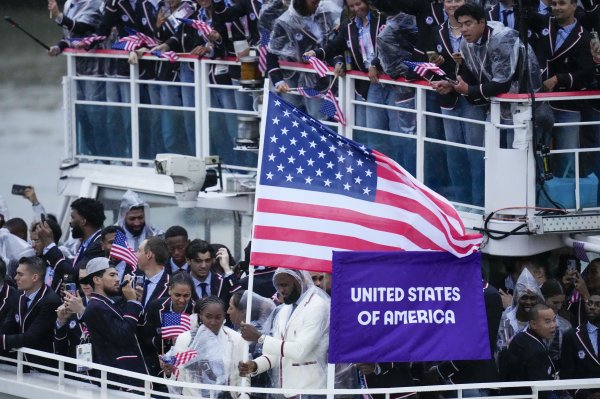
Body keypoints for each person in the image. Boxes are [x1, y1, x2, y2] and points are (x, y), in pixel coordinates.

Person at [238, 268, 330, 395]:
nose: (281, 290)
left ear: (299, 281)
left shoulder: (317, 306)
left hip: (312, 391)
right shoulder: (284, 310)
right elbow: (277, 353)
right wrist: (254, 365)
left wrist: (260, 338)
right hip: (289, 392)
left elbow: (300, 351)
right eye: (278, 285)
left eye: (285, 285)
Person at [47, 0, 106, 157]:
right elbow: (68, 36)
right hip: (76, 69)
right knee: (81, 113)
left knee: (95, 113)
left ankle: (105, 154)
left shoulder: (96, 3)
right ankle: (91, 153)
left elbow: (82, 28)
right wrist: (58, 48)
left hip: (95, 69)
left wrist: (59, 16)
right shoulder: (69, 4)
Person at [81, 257, 149, 388]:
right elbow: (123, 335)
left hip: (130, 376)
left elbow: (135, 328)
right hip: (120, 381)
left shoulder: (110, 302)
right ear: (97, 280)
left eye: (117, 274)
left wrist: (135, 301)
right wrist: (132, 302)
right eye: (112, 275)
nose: (118, 279)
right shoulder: (95, 307)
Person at [266, 0, 341, 118]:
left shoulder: (324, 14)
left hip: (320, 77)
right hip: (291, 79)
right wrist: (278, 81)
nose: (317, 5)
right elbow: (271, 53)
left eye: (318, 2)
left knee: (320, 118)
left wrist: (338, 61)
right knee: (291, 117)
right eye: (313, 3)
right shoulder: (284, 22)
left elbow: (334, 43)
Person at [162, 296, 249, 397]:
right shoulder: (185, 339)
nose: (213, 322)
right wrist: (169, 372)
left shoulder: (236, 339)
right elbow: (176, 378)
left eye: (218, 317)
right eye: (208, 316)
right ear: (201, 316)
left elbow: (243, 377)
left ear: (224, 316)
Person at [1, 256, 62, 370]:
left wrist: (2, 341)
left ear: (34, 277)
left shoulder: (50, 301)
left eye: (20, 274)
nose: (15, 278)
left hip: (45, 368)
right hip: (22, 365)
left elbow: (31, 337)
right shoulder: (19, 297)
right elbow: (7, 327)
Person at [139, 271, 195, 378]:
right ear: (169, 290)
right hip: (157, 368)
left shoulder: (196, 310)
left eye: (186, 295)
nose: (182, 300)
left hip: (186, 369)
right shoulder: (156, 307)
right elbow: (144, 340)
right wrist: (163, 339)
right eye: (177, 295)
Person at [499, 304, 558, 399]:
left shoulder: (520, 337)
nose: (553, 325)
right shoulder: (537, 351)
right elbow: (540, 391)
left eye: (554, 320)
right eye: (547, 322)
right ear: (533, 324)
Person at [561, 290, 600, 398]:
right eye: (590, 303)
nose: (592, 307)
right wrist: (586, 395)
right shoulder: (571, 335)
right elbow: (566, 374)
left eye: (598, 304)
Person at [496, 268, 545, 354]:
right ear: (517, 298)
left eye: (532, 298)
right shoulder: (504, 319)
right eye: (524, 297)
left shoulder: (542, 321)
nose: (528, 302)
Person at [186, 239, 238, 306]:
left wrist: (227, 268)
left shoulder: (223, 281)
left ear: (212, 260)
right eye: (198, 261)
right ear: (188, 260)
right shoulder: (181, 282)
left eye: (207, 260)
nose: (203, 266)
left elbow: (241, 302)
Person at [65, 197, 106, 272]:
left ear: (83, 221)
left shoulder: (99, 245)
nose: (70, 222)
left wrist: (50, 245)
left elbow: (77, 272)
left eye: (73, 217)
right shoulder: (85, 242)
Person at [31, 218, 72, 293]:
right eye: (32, 241)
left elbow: (70, 291)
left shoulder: (67, 265)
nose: (33, 246)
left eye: (36, 241)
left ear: (48, 238)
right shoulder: (30, 265)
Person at [136, 237, 171, 307]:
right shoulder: (134, 282)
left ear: (149, 254)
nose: (135, 255)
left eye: (139, 251)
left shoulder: (172, 286)